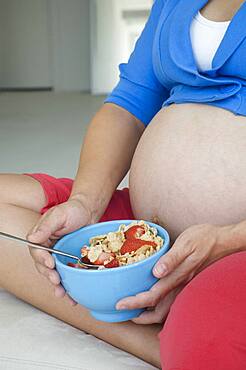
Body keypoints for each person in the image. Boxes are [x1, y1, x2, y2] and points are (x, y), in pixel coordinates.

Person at [1, 0, 246, 368]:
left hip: (235, 241)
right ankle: (146, 328)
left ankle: (166, 331)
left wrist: (227, 239)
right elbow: (129, 105)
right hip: (144, 227)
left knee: (205, 346)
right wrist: (85, 201)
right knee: (13, 221)